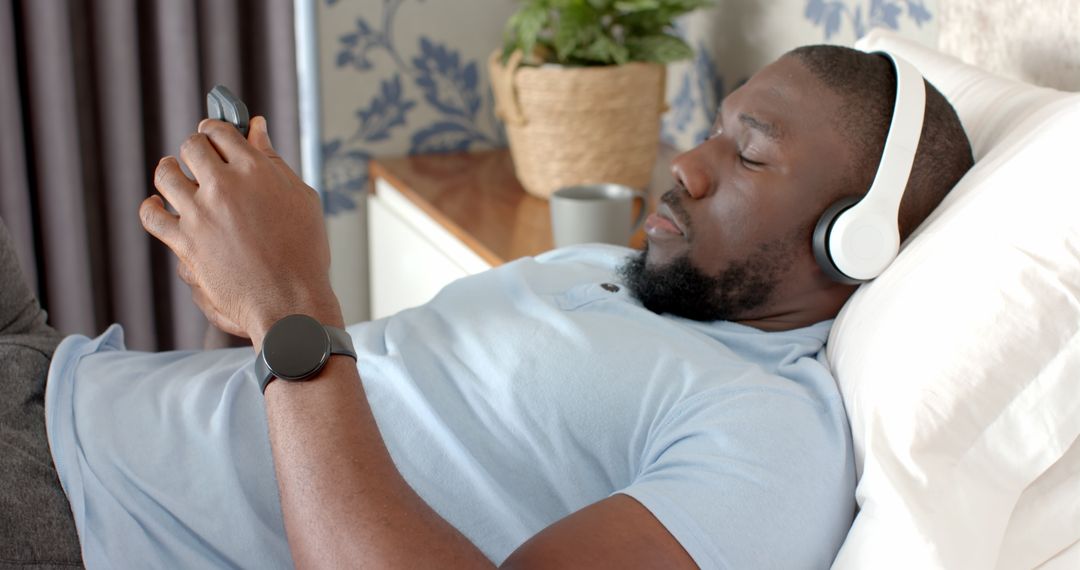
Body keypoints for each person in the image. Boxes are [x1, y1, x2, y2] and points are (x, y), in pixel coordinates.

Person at [0, 44, 973, 569]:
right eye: (713, 132)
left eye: (749, 153)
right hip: (56, 365)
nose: (686, 164)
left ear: (855, 238)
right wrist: (241, 271)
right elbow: (363, 398)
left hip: (70, 510)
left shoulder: (774, 437)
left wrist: (287, 310)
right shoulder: (608, 266)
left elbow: (303, 348)